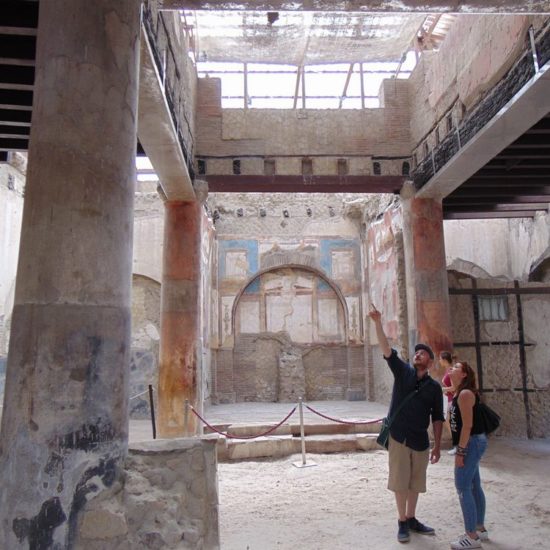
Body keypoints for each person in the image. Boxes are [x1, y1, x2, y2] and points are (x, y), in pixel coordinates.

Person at [368, 304, 444, 544]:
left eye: (422, 353)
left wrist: (438, 445)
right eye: (416, 353)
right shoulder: (403, 372)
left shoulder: (434, 388)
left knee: (415, 482)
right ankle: (402, 520)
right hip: (399, 437)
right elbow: (386, 349)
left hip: (420, 440)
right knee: (400, 481)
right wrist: (378, 323)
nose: (417, 355)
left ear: (430, 362)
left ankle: (412, 518)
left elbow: (438, 417)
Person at [448, 361, 489, 549]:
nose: (451, 368)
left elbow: (467, 426)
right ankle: (479, 529)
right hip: (473, 441)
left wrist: (461, 451)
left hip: (470, 442)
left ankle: (471, 536)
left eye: (456, 367)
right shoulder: (459, 392)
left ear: (464, 374)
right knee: (473, 485)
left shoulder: (465, 394)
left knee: (463, 486)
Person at [440, 351, 457, 454]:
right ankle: (456, 444)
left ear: (445, 360)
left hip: (452, 399)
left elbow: (454, 387)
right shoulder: (448, 370)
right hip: (449, 399)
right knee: (449, 421)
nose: (439, 361)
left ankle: (457, 445)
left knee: (450, 422)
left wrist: (442, 389)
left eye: (440, 359)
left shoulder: (450, 370)